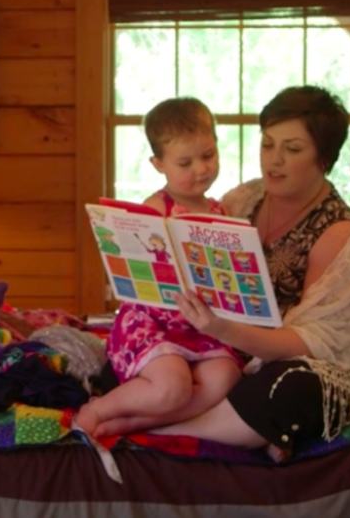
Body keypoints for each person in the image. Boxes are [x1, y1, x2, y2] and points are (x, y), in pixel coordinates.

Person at [89, 85, 350, 461]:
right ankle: (240, 427)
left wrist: (220, 330)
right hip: (222, 344)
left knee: (290, 387)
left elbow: (308, 343)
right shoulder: (245, 200)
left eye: (292, 149)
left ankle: (159, 428)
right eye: (268, 144)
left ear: (324, 158)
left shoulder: (341, 232)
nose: (274, 160)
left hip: (294, 358)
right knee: (133, 365)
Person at [75, 97, 244, 438]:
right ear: (158, 164)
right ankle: (97, 410)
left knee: (226, 376)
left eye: (208, 155)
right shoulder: (155, 208)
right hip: (154, 323)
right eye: (185, 162)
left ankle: (141, 426)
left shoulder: (221, 210)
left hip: (202, 326)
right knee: (174, 387)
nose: (201, 169)